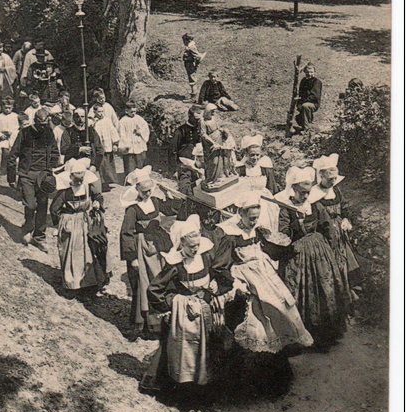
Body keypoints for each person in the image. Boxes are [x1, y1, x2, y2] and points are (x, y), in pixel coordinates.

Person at [215, 191, 313, 362]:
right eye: (251, 218)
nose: (254, 221)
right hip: (245, 276)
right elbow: (220, 266)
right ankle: (261, 351)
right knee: (262, 312)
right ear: (241, 214)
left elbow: (267, 249)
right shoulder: (231, 236)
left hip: (264, 272)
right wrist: (236, 282)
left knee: (283, 303)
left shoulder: (257, 231)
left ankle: (284, 342)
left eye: (257, 217)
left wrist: (285, 250)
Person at [141, 214, 232, 393]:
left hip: (205, 309)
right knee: (183, 350)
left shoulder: (205, 257)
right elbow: (154, 289)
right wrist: (172, 304)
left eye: (197, 245)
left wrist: (215, 284)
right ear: (181, 244)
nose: (195, 249)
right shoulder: (175, 265)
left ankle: (204, 384)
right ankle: (181, 387)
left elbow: (218, 274)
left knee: (208, 346)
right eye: (191, 247)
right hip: (185, 316)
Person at [275, 166, 350, 348]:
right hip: (298, 252)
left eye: (308, 192)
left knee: (327, 288)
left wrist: (330, 250)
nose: (306, 196)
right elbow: (283, 232)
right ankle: (303, 334)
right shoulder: (286, 208)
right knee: (299, 290)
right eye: (302, 193)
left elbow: (326, 226)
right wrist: (295, 225)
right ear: (293, 189)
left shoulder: (315, 204)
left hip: (320, 251)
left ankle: (326, 334)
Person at [120, 166, 182, 337]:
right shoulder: (132, 209)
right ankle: (146, 324)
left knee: (161, 279)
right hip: (142, 247)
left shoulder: (154, 201)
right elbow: (126, 233)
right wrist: (132, 257)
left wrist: (169, 197)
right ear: (137, 190)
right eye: (144, 191)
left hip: (158, 244)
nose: (147, 194)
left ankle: (163, 320)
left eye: (150, 190)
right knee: (144, 282)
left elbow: (170, 210)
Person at [50, 158, 109, 294]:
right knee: (72, 253)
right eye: (76, 179)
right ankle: (73, 284)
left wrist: (97, 204)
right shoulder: (65, 192)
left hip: (85, 221)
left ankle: (89, 283)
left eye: (80, 179)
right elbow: (54, 209)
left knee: (89, 251)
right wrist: (60, 223)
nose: (78, 182)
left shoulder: (88, 188)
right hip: (71, 222)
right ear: (70, 177)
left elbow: (98, 196)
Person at [7, 107, 59, 253]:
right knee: (30, 205)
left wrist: (50, 170)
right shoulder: (24, 133)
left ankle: (39, 237)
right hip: (27, 174)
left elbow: (55, 152)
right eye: (40, 124)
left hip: (44, 176)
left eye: (45, 124)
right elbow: (13, 155)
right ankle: (28, 227)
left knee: (42, 206)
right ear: (35, 121)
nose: (43, 127)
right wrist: (11, 177)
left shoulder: (49, 133)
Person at [310, 154, 362, 299]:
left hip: (340, 231)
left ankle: (348, 290)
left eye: (334, 178)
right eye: (329, 179)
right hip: (324, 232)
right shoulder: (314, 194)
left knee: (344, 259)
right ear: (321, 176)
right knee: (329, 261)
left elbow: (344, 208)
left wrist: (345, 219)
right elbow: (313, 216)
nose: (333, 181)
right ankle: (336, 292)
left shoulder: (336, 190)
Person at [60, 108, 104, 173]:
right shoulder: (68, 132)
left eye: (82, 116)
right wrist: (79, 149)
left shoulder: (91, 131)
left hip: (90, 166)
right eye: (77, 117)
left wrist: (94, 165)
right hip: (73, 166)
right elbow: (63, 149)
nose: (80, 119)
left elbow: (100, 150)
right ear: (73, 118)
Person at [171, 105, 203, 195]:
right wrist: (174, 169)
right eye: (196, 119)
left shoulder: (199, 128)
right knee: (185, 187)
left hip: (196, 161)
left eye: (199, 119)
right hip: (184, 163)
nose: (198, 121)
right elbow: (173, 150)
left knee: (197, 187)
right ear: (190, 117)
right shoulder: (180, 131)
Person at [118, 100, 150, 178]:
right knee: (130, 164)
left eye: (135, 111)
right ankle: (130, 179)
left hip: (139, 143)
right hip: (129, 145)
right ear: (126, 111)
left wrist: (140, 132)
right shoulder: (123, 121)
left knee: (140, 162)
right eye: (131, 112)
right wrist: (126, 144)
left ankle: (140, 178)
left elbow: (146, 128)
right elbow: (121, 134)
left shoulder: (139, 118)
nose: (133, 113)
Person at [91, 102, 119, 189]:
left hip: (107, 146)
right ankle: (101, 183)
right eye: (99, 112)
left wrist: (115, 143)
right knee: (101, 165)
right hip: (98, 147)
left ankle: (108, 182)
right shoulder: (92, 122)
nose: (101, 113)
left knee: (108, 165)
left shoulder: (107, 120)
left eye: (102, 111)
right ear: (95, 112)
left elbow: (113, 131)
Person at [0, 96, 19, 173]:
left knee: (13, 154)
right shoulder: (0, 117)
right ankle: (3, 169)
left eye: (9, 108)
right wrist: (0, 135)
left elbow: (18, 126)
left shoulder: (15, 116)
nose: (7, 110)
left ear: (12, 107)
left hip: (13, 137)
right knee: (5, 152)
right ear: (2, 107)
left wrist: (13, 132)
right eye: (5, 108)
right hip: (4, 137)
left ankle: (12, 169)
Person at [295, 63, 322, 132]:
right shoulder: (303, 81)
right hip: (304, 101)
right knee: (299, 116)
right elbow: (301, 93)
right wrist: (299, 103)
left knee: (305, 106)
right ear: (304, 72)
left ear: (314, 72)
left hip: (313, 103)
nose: (309, 74)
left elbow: (314, 96)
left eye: (311, 72)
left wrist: (303, 102)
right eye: (307, 72)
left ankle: (306, 129)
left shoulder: (317, 82)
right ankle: (306, 123)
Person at [182, 32, 206, 101]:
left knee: (192, 80)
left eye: (184, 41)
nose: (184, 43)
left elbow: (198, 56)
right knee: (191, 79)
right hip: (188, 64)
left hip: (190, 64)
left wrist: (196, 64)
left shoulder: (191, 47)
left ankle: (193, 97)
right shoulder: (190, 46)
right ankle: (193, 95)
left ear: (188, 40)